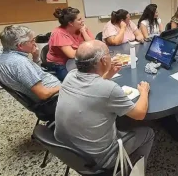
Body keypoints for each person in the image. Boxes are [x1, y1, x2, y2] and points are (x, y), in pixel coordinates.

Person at [54, 40, 154, 170]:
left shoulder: (71, 75)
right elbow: (139, 114)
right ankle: (135, 170)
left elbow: (92, 88)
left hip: (67, 150)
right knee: (148, 133)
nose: (111, 56)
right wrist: (144, 92)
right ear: (103, 60)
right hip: (100, 158)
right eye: (109, 53)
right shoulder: (109, 89)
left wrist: (107, 74)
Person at [0, 25, 60, 103]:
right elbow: (44, 94)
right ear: (20, 45)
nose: (34, 43)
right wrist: (64, 86)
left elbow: (34, 73)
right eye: (32, 40)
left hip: (51, 93)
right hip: (55, 98)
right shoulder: (20, 63)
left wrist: (35, 57)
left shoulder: (1, 58)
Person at [47, 7, 94, 81]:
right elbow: (71, 54)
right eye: (79, 19)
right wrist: (86, 46)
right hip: (60, 64)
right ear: (70, 23)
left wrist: (84, 32)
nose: (83, 21)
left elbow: (94, 45)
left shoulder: (81, 28)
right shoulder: (58, 33)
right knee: (75, 82)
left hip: (78, 60)